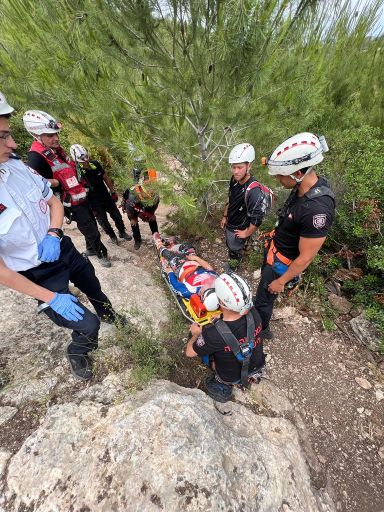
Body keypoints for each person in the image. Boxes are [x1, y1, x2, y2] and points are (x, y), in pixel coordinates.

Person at [0, 92, 125, 381]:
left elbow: (53, 201)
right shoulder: (30, 158)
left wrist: (55, 233)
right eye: (4, 136)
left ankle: (108, 314)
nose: (13, 143)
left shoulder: (18, 167)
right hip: (35, 272)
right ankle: (78, 350)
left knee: (92, 283)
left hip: (59, 246)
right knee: (87, 325)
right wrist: (49, 297)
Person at [253, 132, 335, 339]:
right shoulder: (303, 188)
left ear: (298, 172)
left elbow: (306, 256)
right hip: (275, 251)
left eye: (281, 175)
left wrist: (282, 281)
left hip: (281, 264)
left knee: (264, 298)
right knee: (263, 293)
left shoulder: (318, 209)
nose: (278, 179)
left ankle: (260, 331)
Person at [23, 110, 111, 267]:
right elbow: (34, 183)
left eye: (56, 133)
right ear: (37, 135)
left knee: (90, 223)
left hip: (80, 196)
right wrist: (56, 183)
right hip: (68, 201)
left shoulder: (56, 151)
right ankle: (101, 253)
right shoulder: (36, 157)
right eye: (50, 135)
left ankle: (90, 248)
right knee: (90, 229)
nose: (56, 138)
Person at [185, 272, 265, 402]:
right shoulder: (254, 313)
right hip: (257, 364)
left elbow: (189, 352)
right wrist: (222, 318)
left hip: (230, 376)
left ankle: (222, 385)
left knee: (201, 346)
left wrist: (196, 333)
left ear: (221, 301)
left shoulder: (213, 334)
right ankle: (251, 376)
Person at [221, 143, 273, 270]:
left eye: (239, 167)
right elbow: (230, 197)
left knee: (234, 247)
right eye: (233, 167)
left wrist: (247, 233)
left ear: (249, 165)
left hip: (239, 226)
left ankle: (234, 265)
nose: (236, 171)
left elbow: (257, 218)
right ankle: (236, 255)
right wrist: (225, 215)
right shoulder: (234, 180)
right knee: (231, 244)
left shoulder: (253, 191)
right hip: (231, 220)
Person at [69, 144, 132, 245]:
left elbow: (105, 177)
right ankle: (112, 236)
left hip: (105, 196)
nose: (85, 161)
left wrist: (113, 191)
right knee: (103, 221)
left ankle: (122, 231)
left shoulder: (95, 164)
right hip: (93, 202)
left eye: (86, 157)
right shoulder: (77, 172)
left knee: (117, 216)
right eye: (82, 159)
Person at [154, 235, 219, 311]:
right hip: (194, 262)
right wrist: (195, 258)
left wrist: (170, 272)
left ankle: (160, 244)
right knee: (188, 246)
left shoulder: (190, 291)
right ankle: (172, 246)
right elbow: (209, 268)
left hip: (179, 267)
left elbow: (175, 285)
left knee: (167, 254)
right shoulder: (215, 281)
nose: (205, 287)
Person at [122, 170, 160, 250]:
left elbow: (154, 206)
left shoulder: (155, 195)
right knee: (134, 223)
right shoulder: (133, 195)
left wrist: (150, 214)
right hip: (132, 209)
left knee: (152, 219)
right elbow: (129, 209)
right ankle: (137, 239)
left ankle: (156, 237)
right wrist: (133, 217)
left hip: (144, 206)